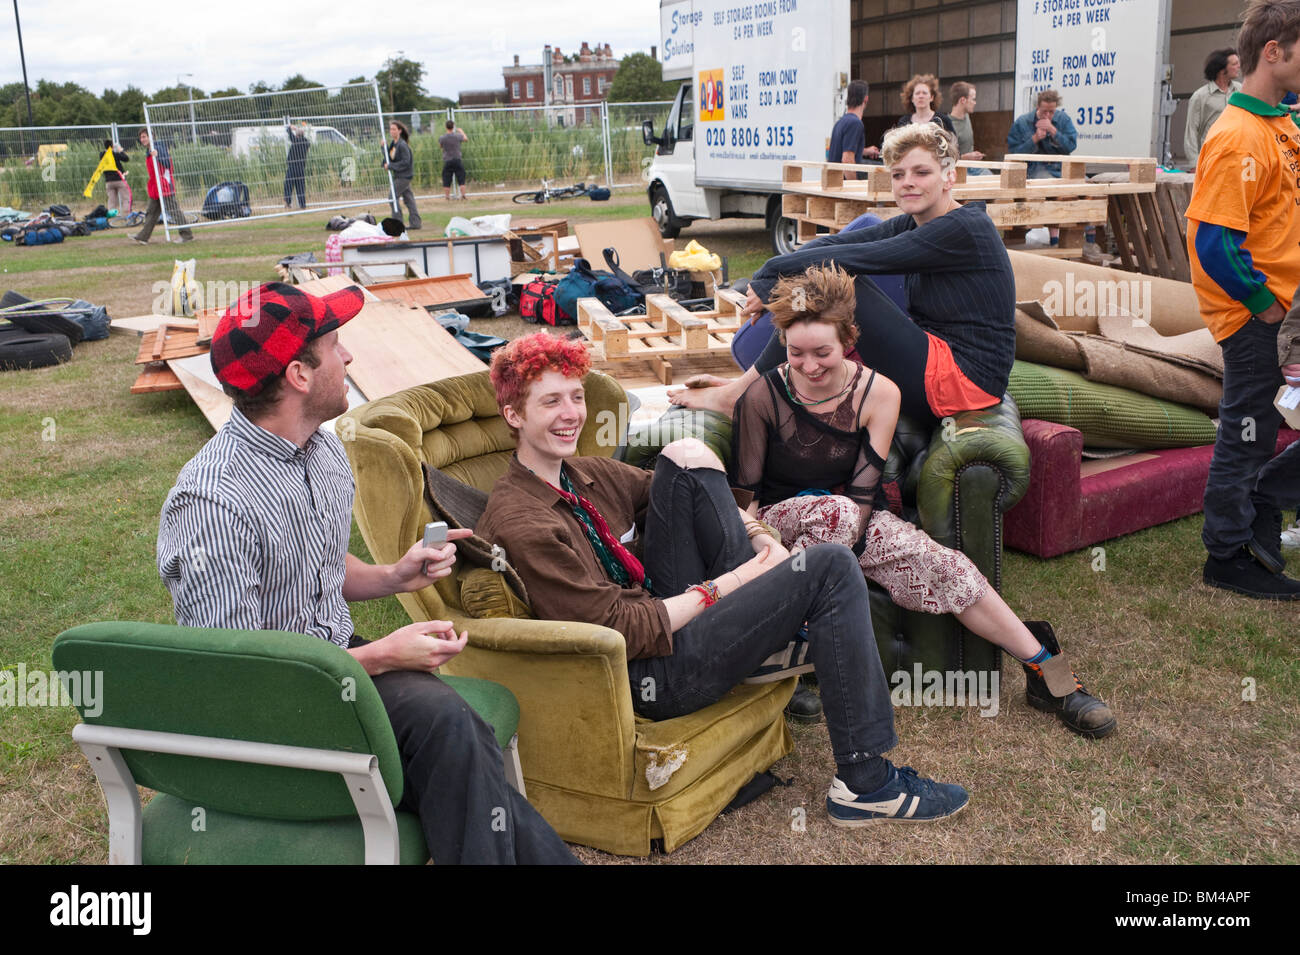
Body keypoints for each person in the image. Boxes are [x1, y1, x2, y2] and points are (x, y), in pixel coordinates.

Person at [477, 332, 971, 827]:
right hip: (649, 674)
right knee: (831, 565)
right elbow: (619, 631)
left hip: (673, 619)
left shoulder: (582, 474)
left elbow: (679, 490)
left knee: (686, 456)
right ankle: (866, 784)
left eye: (577, 397)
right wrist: (731, 584)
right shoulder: (523, 522)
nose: (571, 414)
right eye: (550, 402)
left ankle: (771, 626)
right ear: (514, 415)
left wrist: (758, 536)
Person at [157, 282, 577, 863]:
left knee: (458, 736)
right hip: (266, 712)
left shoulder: (321, 451)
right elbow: (241, 681)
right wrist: (382, 655)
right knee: (453, 736)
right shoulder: (213, 505)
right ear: (300, 375)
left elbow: (319, 570)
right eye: (334, 345)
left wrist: (394, 577)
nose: (349, 357)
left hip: (332, 667)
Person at [730, 263, 1116, 738]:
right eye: (796, 352)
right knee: (830, 514)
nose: (809, 366)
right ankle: (794, 656)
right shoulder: (762, 396)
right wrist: (751, 552)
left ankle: (1049, 674)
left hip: (854, 513)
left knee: (946, 566)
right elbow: (747, 493)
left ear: (848, 340)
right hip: (780, 522)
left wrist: (847, 548)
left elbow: (864, 489)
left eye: (822, 353)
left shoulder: (879, 392)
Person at [669, 124, 1014, 430]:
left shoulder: (964, 229)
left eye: (921, 172)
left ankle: (739, 393)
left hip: (963, 383)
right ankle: (746, 386)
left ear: (949, 176)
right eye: (898, 174)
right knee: (820, 271)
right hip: (936, 360)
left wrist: (771, 277)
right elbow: (837, 242)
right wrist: (770, 274)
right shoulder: (917, 222)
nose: (908, 182)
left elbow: (857, 258)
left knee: (836, 282)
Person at [1185, 0, 1300, 600]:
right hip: (1260, 315)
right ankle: (1227, 555)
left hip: (1288, 305)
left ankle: (1265, 499)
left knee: (1256, 432)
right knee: (1248, 430)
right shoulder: (1236, 137)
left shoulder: (1282, 122)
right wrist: (1264, 305)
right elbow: (1211, 243)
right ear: (1274, 52)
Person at [130, 128, 193, 244]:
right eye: (141, 137)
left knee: (174, 211)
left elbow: (168, 164)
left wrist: (158, 155)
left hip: (164, 186)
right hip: (155, 187)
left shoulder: (158, 147)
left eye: (144, 137)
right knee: (151, 212)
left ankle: (187, 234)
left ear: (151, 136)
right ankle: (143, 237)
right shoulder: (149, 150)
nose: (142, 139)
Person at [1185, 48, 1242, 163]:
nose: (1239, 66)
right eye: (1234, 64)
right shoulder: (1200, 96)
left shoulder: (1241, 90)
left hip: (1237, 157)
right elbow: (1191, 131)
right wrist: (1194, 163)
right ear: (1221, 70)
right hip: (1211, 158)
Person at [1006, 89, 1077, 179]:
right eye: (1044, 111)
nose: (1047, 115)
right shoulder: (1022, 122)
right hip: (1034, 171)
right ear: (1038, 107)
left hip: (1061, 168)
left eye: (1051, 112)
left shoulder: (1063, 119)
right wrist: (1035, 138)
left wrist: (1053, 131)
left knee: (1084, 182)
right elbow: (1014, 154)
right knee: (1049, 183)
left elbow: (1071, 146)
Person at [828, 80, 880, 179]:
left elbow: (842, 150)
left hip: (834, 182)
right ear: (866, 99)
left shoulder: (840, 123)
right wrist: (855, 185)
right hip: (844, 186)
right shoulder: (855, 123)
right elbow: (847, 159)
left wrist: (865, 151)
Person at [384, 120, 422, 230]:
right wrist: (384, 147)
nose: (392, 131)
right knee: (409, 199)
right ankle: (415, 223)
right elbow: (389, 158)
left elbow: (406, 161)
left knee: (392, 198)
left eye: (394, 129)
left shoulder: (402, 145)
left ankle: (397, 224)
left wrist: (391, 166)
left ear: (399, 131)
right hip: (399, 175)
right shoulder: (394, 144)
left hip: (404, 176)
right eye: (390, 129)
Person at [947, 81, 986, 171]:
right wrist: (964, 157)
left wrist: (973, 155)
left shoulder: (966, 116)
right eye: (973, 99)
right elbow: (945, 158)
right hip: (959, 171)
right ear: (963, 100)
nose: (975, 103)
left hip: (973, 166)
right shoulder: (949, 126)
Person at [284, 121, 311, 210]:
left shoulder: (295, 141)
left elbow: (289, 132)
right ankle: (302, 204)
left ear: (296, 135)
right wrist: (299, 130)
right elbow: (305, 140)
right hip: (301, 168)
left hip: (292, 167)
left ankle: (288, 202)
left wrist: (292, 128)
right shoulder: (306, 143)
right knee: (300, 187)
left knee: (288, 185)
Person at [440, 119, 469, 200]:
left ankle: (447, 196)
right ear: (453, 127)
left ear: (446, 127)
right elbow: (466, 139)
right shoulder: (457, 136)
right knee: (461, 176)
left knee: (446, 177)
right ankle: (463, 195)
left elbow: (440, 146)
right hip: (457, 159)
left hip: (447, 160)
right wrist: (461, 131)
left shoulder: (442, 137)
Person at [101, 139, 130, 215]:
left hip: (109, 181)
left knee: (111, 201)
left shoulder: (102, 154)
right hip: (119, 179)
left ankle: (112, 218)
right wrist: (120, 150)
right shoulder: (115, 154)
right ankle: (127, 215)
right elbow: (126, 159)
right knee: (125, 198)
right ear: (113, 146)